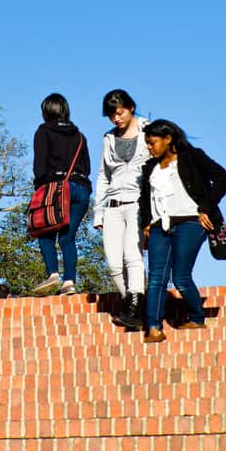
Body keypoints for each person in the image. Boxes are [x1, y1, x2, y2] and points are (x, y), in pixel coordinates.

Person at [138, 119, 226, 344]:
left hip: (191, 223)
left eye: (152, 143)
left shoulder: (192, 157)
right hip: (161, 226)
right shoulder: (150, 168)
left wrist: (206, 209)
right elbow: (144, 199)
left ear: (168, 139)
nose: (148, 148)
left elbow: (223, 178)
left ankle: (197, 316)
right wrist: (146, 224)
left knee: (180, 276)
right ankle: (153, 327)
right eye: (147, 144)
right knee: (156, 277)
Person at [92, 89, 149, 330]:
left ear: (131, 108)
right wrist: (98, 211)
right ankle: (132, 306)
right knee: (114, 263)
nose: (116, 118)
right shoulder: (108, 138)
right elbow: (103, 176)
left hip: (137, 203)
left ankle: (135, 307)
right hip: (113, 206)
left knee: (132, 256)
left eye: (119, 112)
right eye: (111, 115)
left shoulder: (148, 130)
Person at [32, 93, 92, 297]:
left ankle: (53, 274)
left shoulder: (43, 132)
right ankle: (69, 282)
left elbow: (39, 168)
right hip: (81, 189)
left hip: (56, 188)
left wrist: (40, 187)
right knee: (67, 238)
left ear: (46, 111)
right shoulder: (80, 136)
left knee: (44, 231)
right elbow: (88, 167)